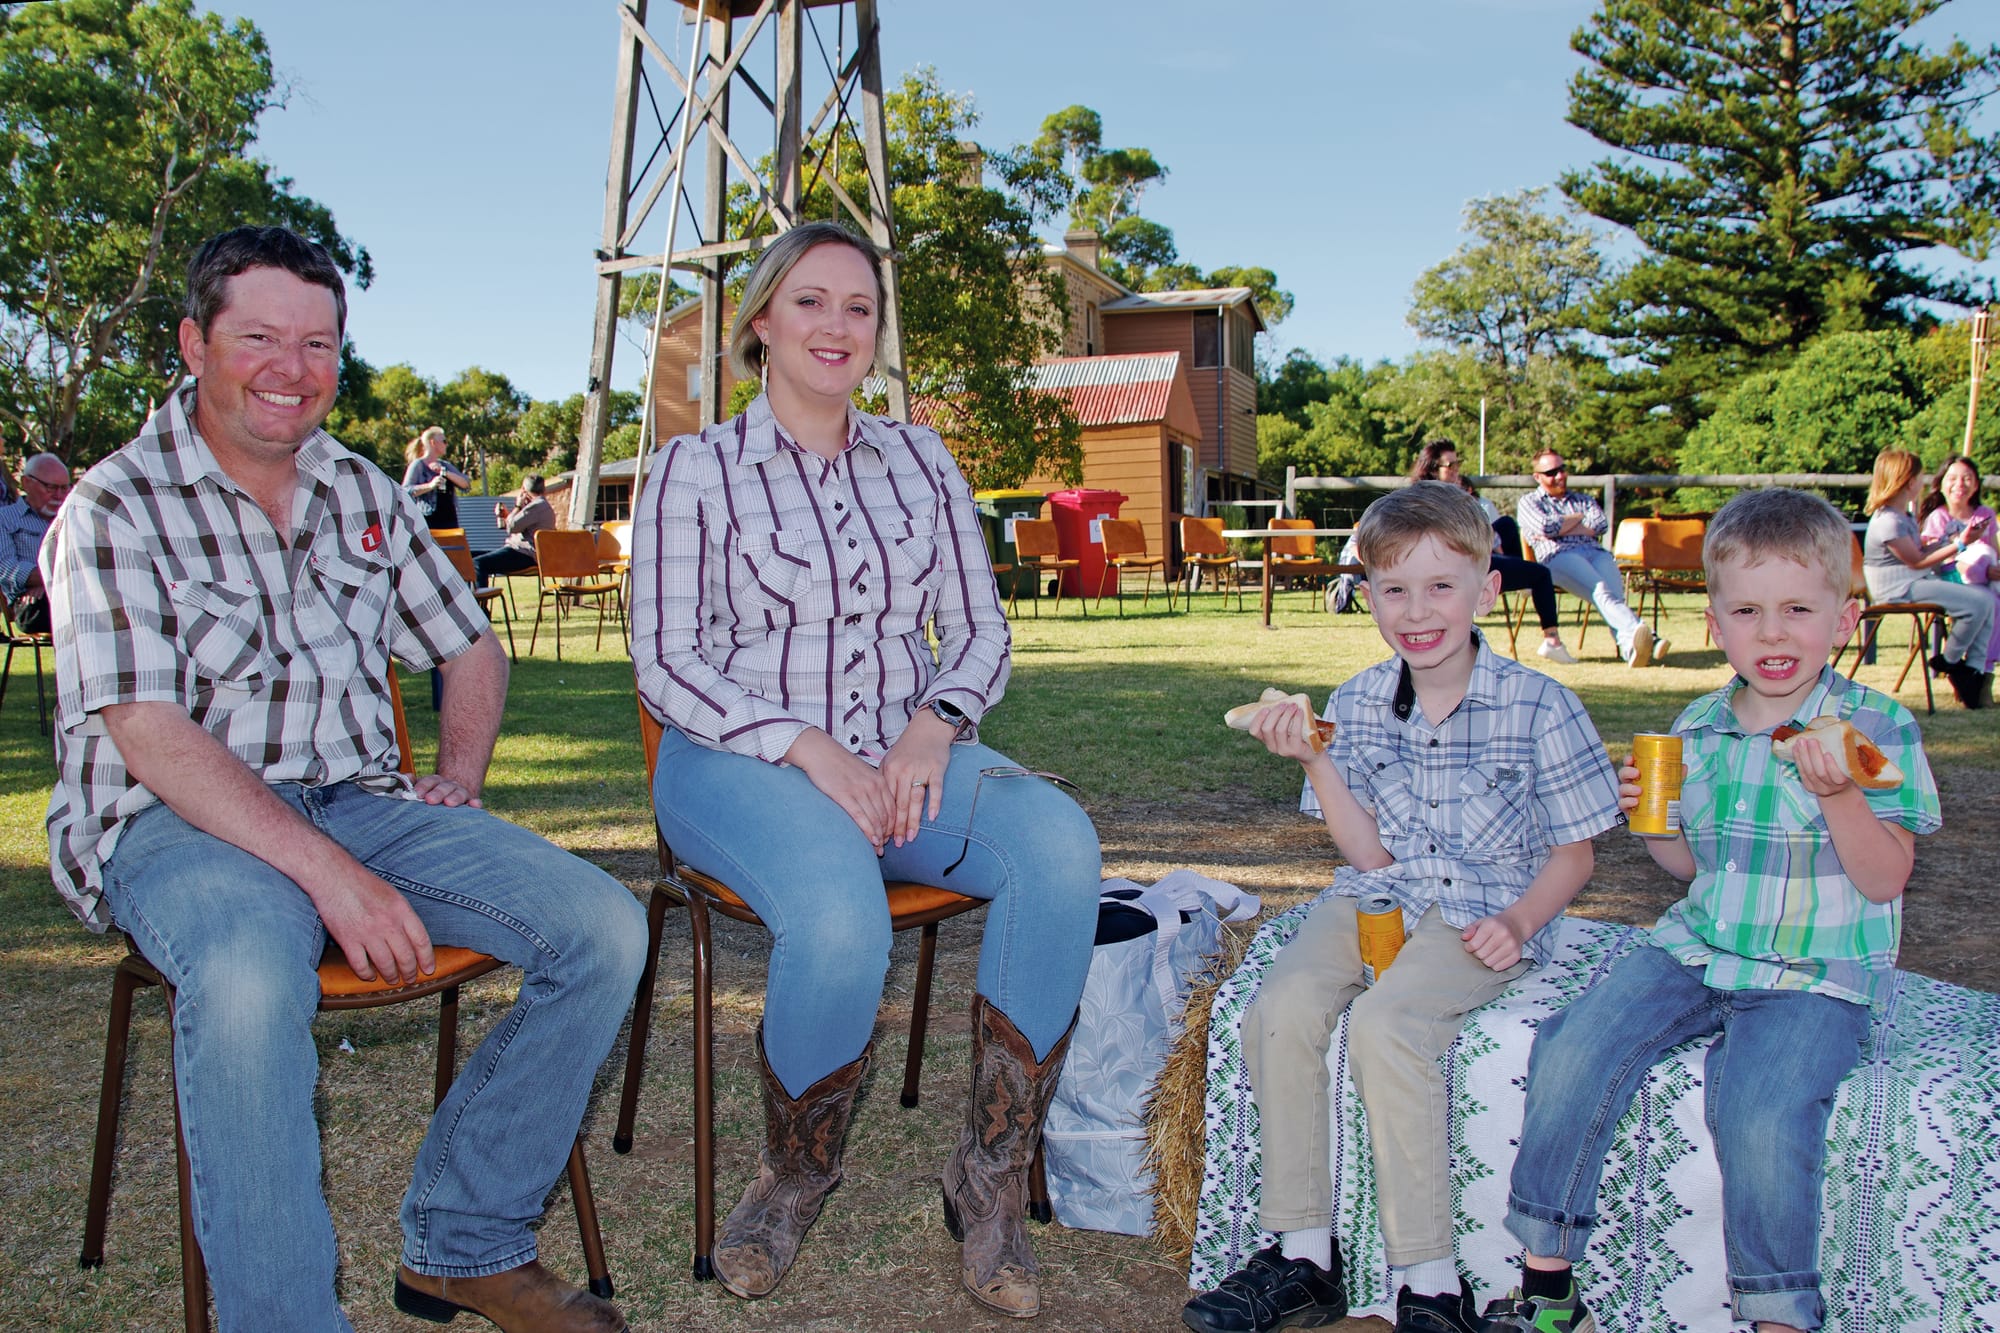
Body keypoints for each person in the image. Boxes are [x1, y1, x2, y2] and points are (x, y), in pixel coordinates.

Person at [43, 226, 646, 1333]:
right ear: (194, 342)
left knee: (602, 925)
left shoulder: (357, 487)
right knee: (247, 973)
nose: (293, 368)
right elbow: (147, 729)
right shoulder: (114, 506)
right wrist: (329, 876)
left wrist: (459, 774)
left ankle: (463, 1246)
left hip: (360, 801)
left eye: (317, 342)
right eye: (260, 337)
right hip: (174, 820)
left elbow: (469, 644)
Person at [630, 221, 1099, 1320]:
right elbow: (666, 661)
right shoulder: (692, 469)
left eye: (857, 307)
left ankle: (986, 1177)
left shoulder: (921, 458)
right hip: (737, 760)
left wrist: (933, 726)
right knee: (841, 910)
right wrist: (808, 749)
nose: (836, 326)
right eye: (808, 302)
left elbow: (979, 632)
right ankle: (793, 1172)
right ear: (758, 325)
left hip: (904, 755)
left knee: (1057, 845)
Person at [1482, 487, 1940, 1333]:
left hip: (1816, 968)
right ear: (1717, 623)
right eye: (1748, 611)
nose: (1773, 632)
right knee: (1573, 1043)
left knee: (1761, 1107)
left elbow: (1885, 879)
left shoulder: (1877, 725)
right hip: (1701, 943)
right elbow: (1692, 868)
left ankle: (1777, 1315)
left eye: (1799, 609)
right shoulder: (1697, 723)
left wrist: (1837, 794)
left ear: (1843, 619)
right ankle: (1548, 1288)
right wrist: (1655, 821)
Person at [1182, 482, 1622, 1333]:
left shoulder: (1541, 705)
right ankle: (1304, 1254)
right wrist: (1315, 761)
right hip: (1377, 892)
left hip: (1487, 905)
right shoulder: (1353, 702)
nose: (1416, 611)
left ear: (1487, 590)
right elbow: (1370, 856)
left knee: (1387, 1026)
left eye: (1440, 587)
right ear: (1367, 596)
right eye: (1393, 590)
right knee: (1280, 1006)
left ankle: (1430, 1279)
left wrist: (1522, 923)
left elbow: (1577, 853)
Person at [1409, 439, 1575, 663]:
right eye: (1451, 465)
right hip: (1463, 567)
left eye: (1458, 463)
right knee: (1541, 574)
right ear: (1433, 469)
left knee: (1506, 524)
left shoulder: (1430, 496)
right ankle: (1552, 640)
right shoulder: (1440, 499)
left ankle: (1521, 579)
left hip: (1471, 560)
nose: (1457, 469)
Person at [1861, 447, 1993, 709]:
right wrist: (1961, 545)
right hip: (1898, 588)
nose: (1923, 482)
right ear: (1909, 482)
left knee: (1986, 601)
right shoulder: (1887, 520)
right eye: (1920, 477)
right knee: (1978, 605)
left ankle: (1972, 671)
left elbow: (1920, 552)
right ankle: (1952, 660)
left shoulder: (1902, 516)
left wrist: (1951, 540)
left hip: (1913, 582)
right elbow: (1917, 561)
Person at [1516, 449, 1661, 666]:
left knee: (1613, 596)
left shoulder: (1582, 499)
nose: (1559, 476)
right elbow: (1545, 527)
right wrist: (1579, 520)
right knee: (1601, 590)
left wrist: (1562, 527)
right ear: (1537, 477)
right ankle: (1650, 638)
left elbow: (1600, 524)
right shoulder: (1530, 502)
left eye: (1562, 469)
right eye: (1551, 472)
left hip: (1595, 553)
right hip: (1557, 557)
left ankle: (1630, 649)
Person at [1917, 454, 1999, 694]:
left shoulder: (1985, 514)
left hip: (1984, 581)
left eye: (1967, 478)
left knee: (1993, 600)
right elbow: (1931, 559)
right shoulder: (1938, 518)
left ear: (1976, 484)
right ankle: (1978, 672)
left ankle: (1982, 671)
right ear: (1942, 483)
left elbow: (1994, 551)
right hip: (1950, 581)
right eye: (1953, 478)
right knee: (1988, 603)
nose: (1960, 484)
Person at [0, 452, 73, 632]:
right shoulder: (6, 519)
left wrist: (45, 583)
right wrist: (51, 579)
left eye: (65, 488)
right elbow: (6, 569)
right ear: (26, 483)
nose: (59, 495)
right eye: (50, 488)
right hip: (30, 604)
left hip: (74, 593)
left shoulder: (74, 519)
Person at [472, 474, 553, 588]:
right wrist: (506, 515)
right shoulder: (540, 506)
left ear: (524, 490)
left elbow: (511, 527)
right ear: (543, 489)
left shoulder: (535, 506)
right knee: (469, 558)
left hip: (525, 554)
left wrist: (517, 506)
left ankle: (479, 604)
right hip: (523, 552)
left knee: (477, 563)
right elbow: (516, 524)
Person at [402, 424, 470, 531]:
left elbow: (466, 484)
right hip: (427, 520)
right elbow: (406, 490)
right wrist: (430, 485)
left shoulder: (446, 465)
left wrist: (446, 473)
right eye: (444, 441)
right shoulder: (418, 465)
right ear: (433, 442)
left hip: (449, 520)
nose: (446, 445)